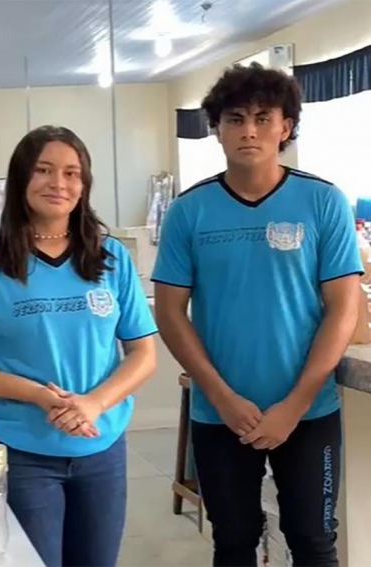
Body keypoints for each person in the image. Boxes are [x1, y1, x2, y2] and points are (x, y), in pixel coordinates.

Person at [152, 63, 364, 567]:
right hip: (220, 412)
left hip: (308, 412)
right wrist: (221, 396)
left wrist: (296, 402)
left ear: (286, 126)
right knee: (233, 539)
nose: (249, 130)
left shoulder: (323, 201)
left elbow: (343, 306)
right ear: (217, 129)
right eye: (235, 118)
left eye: (263, 118)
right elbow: (169, 311)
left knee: (314, 540)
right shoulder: (190, 211)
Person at [0, 125, 158, 567]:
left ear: (84, 185)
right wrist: (41, 397)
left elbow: (143, 353)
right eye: (44, 170)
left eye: (72, 173)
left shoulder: (111, 258)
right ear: (21, 179)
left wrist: (95, 404)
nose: (58, 184)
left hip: (101, 447)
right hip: (23, 451)